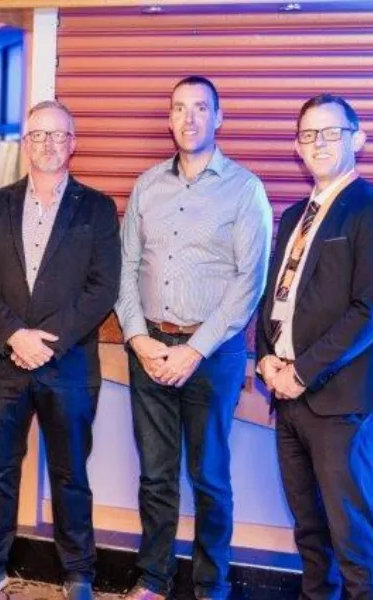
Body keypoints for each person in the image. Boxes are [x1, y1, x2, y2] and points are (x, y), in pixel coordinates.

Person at [115, 75, 272, 600]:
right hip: (150, 349)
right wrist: (138, 340)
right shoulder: (146, 185)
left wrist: (194, 349)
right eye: (179, 108)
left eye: (200, 108)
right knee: (156, 477)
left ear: (218, 117)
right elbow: (126, 267)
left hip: (213, 355)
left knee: (209, 477)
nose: (189, 118)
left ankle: (211, 584)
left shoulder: (245, 189)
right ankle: (154, 578)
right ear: (169, 119)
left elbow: (249, 282)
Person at [0, 100, 121, 600]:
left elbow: (103, 287)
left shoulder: (96, 207)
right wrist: (15, 336)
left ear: (73, 143)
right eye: (38, 135)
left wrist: (46, 342)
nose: (48, 144)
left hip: (68, 363)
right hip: (5, 363)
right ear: (25, 143)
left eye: (58, 136)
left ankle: (79, 574)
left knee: (71, 473)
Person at [256, 94, 373, 600]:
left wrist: (303, 370)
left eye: (331, 132)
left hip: (343, 401)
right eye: (309, 134)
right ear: (297, 147)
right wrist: (266, 358)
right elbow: (274, 296)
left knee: (352, 536)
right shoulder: (294, 213)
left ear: (359, 137)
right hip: (287, 397)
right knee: (310, 534)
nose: (319, 143)